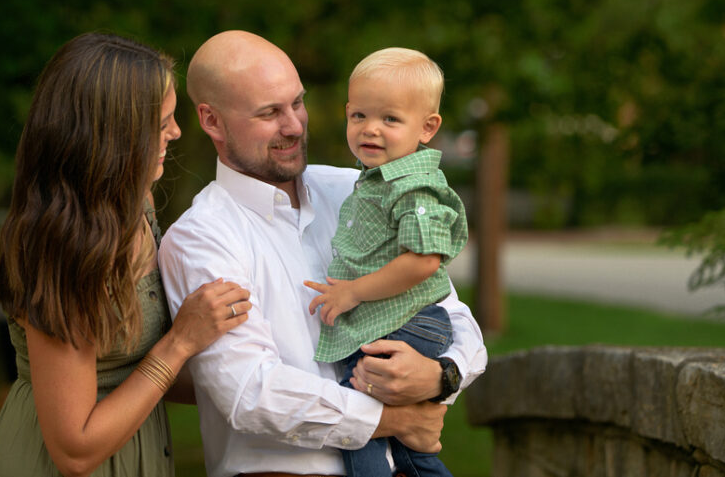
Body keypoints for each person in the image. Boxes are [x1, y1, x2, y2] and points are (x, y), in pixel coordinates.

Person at [158, 31, 486, 477]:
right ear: (211, 120)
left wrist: (439, 377)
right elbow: (250, 393)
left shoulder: (361, 190)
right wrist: (394, 419)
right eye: (269, 113)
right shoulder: (203, 238)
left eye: (297, 103)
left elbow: (453, 316)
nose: (293, 125)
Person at [0, 32, 251, 477]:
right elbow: (75, 450)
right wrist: (181, 340)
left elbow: (137, 373)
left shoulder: (137, 210)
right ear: (114, 134)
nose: (177, 132)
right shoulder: (61, 249)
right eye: (161, 121)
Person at [304, 48, 466, 477]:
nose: (370, 129)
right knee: (413, 450)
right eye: (359, 116)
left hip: (410, 323)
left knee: (357, 411)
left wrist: (353, 291)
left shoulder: (413, 187)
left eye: (390, 120)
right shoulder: (376, 178)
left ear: (427, 128)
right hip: (405, 319)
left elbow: (424, 261)